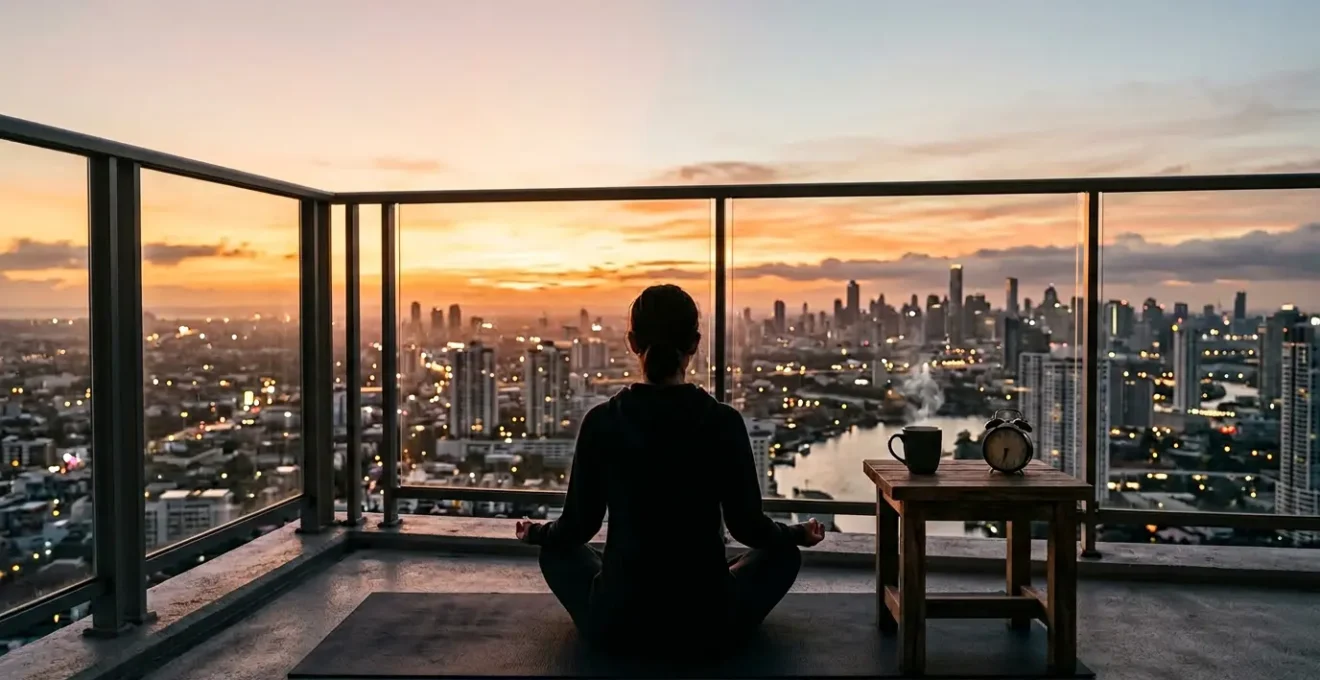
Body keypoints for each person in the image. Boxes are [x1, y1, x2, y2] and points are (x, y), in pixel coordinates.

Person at [515, 284, 825, 656]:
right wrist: (796, 533)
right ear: (694, 344)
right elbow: (749, 527)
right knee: (784, 553)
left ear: (632, 342)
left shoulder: (602, 421)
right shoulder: (722, 422)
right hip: (709, 621)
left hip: (618, 622)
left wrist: (537, 533)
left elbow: (579, 527)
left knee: (555, 552)